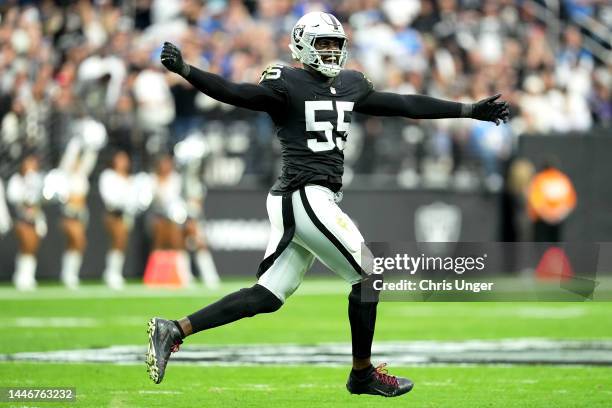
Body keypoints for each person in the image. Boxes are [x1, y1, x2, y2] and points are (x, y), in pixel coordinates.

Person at [146, 11, 509, 397]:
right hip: (305, 194)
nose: (332, 51)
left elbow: (403, 103)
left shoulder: (351, 84)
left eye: (336, 43)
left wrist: (467, 110)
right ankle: (362, 373)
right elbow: (235, 92)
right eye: (324, 44)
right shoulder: (285, 81)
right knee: (368, 276)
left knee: (267, 296)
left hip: (305, 198)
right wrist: (188, 70)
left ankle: (174, 329)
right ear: (302, 45)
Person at [7, 155, 46, 291]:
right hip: (21, 217)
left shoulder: (38, 180)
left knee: (33, 247)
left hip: (34, 218)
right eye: (28, 164)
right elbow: (13, 197)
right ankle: (21, 276)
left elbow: (42, 198)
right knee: (26, 244)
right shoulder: (16, 180)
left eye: (33, 164)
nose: (30, 167)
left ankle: (28, 276)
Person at [99, 150, 135, 290]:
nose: (123, 162)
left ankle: (113, 272)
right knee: (117, 240)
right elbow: (109, 198)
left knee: (122, 243)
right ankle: (112, 273)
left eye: (125, 159)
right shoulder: (108, 176)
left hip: (126, 214)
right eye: (120, 159)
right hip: (113, 213)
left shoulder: (130, 178)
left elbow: (133, 198)